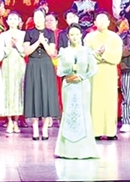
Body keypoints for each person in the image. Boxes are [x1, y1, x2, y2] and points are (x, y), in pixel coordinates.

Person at [55, 24, 100, 160]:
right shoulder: (64, 51)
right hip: (68, 86)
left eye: (76, 34)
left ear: (81, 35)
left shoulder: (87, 51)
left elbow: (93, 69)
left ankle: (84, 149)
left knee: (83, 113)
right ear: (68, 36)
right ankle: (66, 150)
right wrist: (68, 73)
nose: (74, 37)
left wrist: (81, 76)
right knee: (68, 113)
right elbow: (59, 71)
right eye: (72, 35)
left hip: (82, 85)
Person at [84, 11, 123, 140]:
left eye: (104, 20)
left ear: (108, 22)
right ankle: (95, 131)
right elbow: (87, 55)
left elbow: (116, 57)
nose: (101, 22)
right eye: (99, 20)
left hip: (109, 73)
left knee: (110, 102)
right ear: (95, 23)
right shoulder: (89, 38)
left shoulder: (115, 38)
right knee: (95, 102)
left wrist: (103, 54)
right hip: (94, 74)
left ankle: (111, 131)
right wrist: (98, 54)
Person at [23, 7, 60, 140]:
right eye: (36, 17)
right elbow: (26, 51)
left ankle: (44, 129)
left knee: (46, 94)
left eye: (40, 17)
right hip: (33, 64)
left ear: (44, 19)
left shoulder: (50, 33)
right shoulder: (29, 33)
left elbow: (51, 52)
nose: (38, 20)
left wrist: (43, 42)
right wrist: (37, 42)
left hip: (46, 64)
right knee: (33, 94)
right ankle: (34, 128)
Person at [1, 11, 26, 134]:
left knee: (19, 90)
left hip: (19, 65)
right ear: (7, 21)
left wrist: (17, 45)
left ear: (19, 21)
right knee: (8, 91)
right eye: (10, 19)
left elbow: (24, 52)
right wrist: (9, 46)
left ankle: (16, 121)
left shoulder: (23, 34)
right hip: (7, 64)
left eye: (15, 19)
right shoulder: (3, 35)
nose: (12, 21)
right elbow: (1, 53)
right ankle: (9, 121)